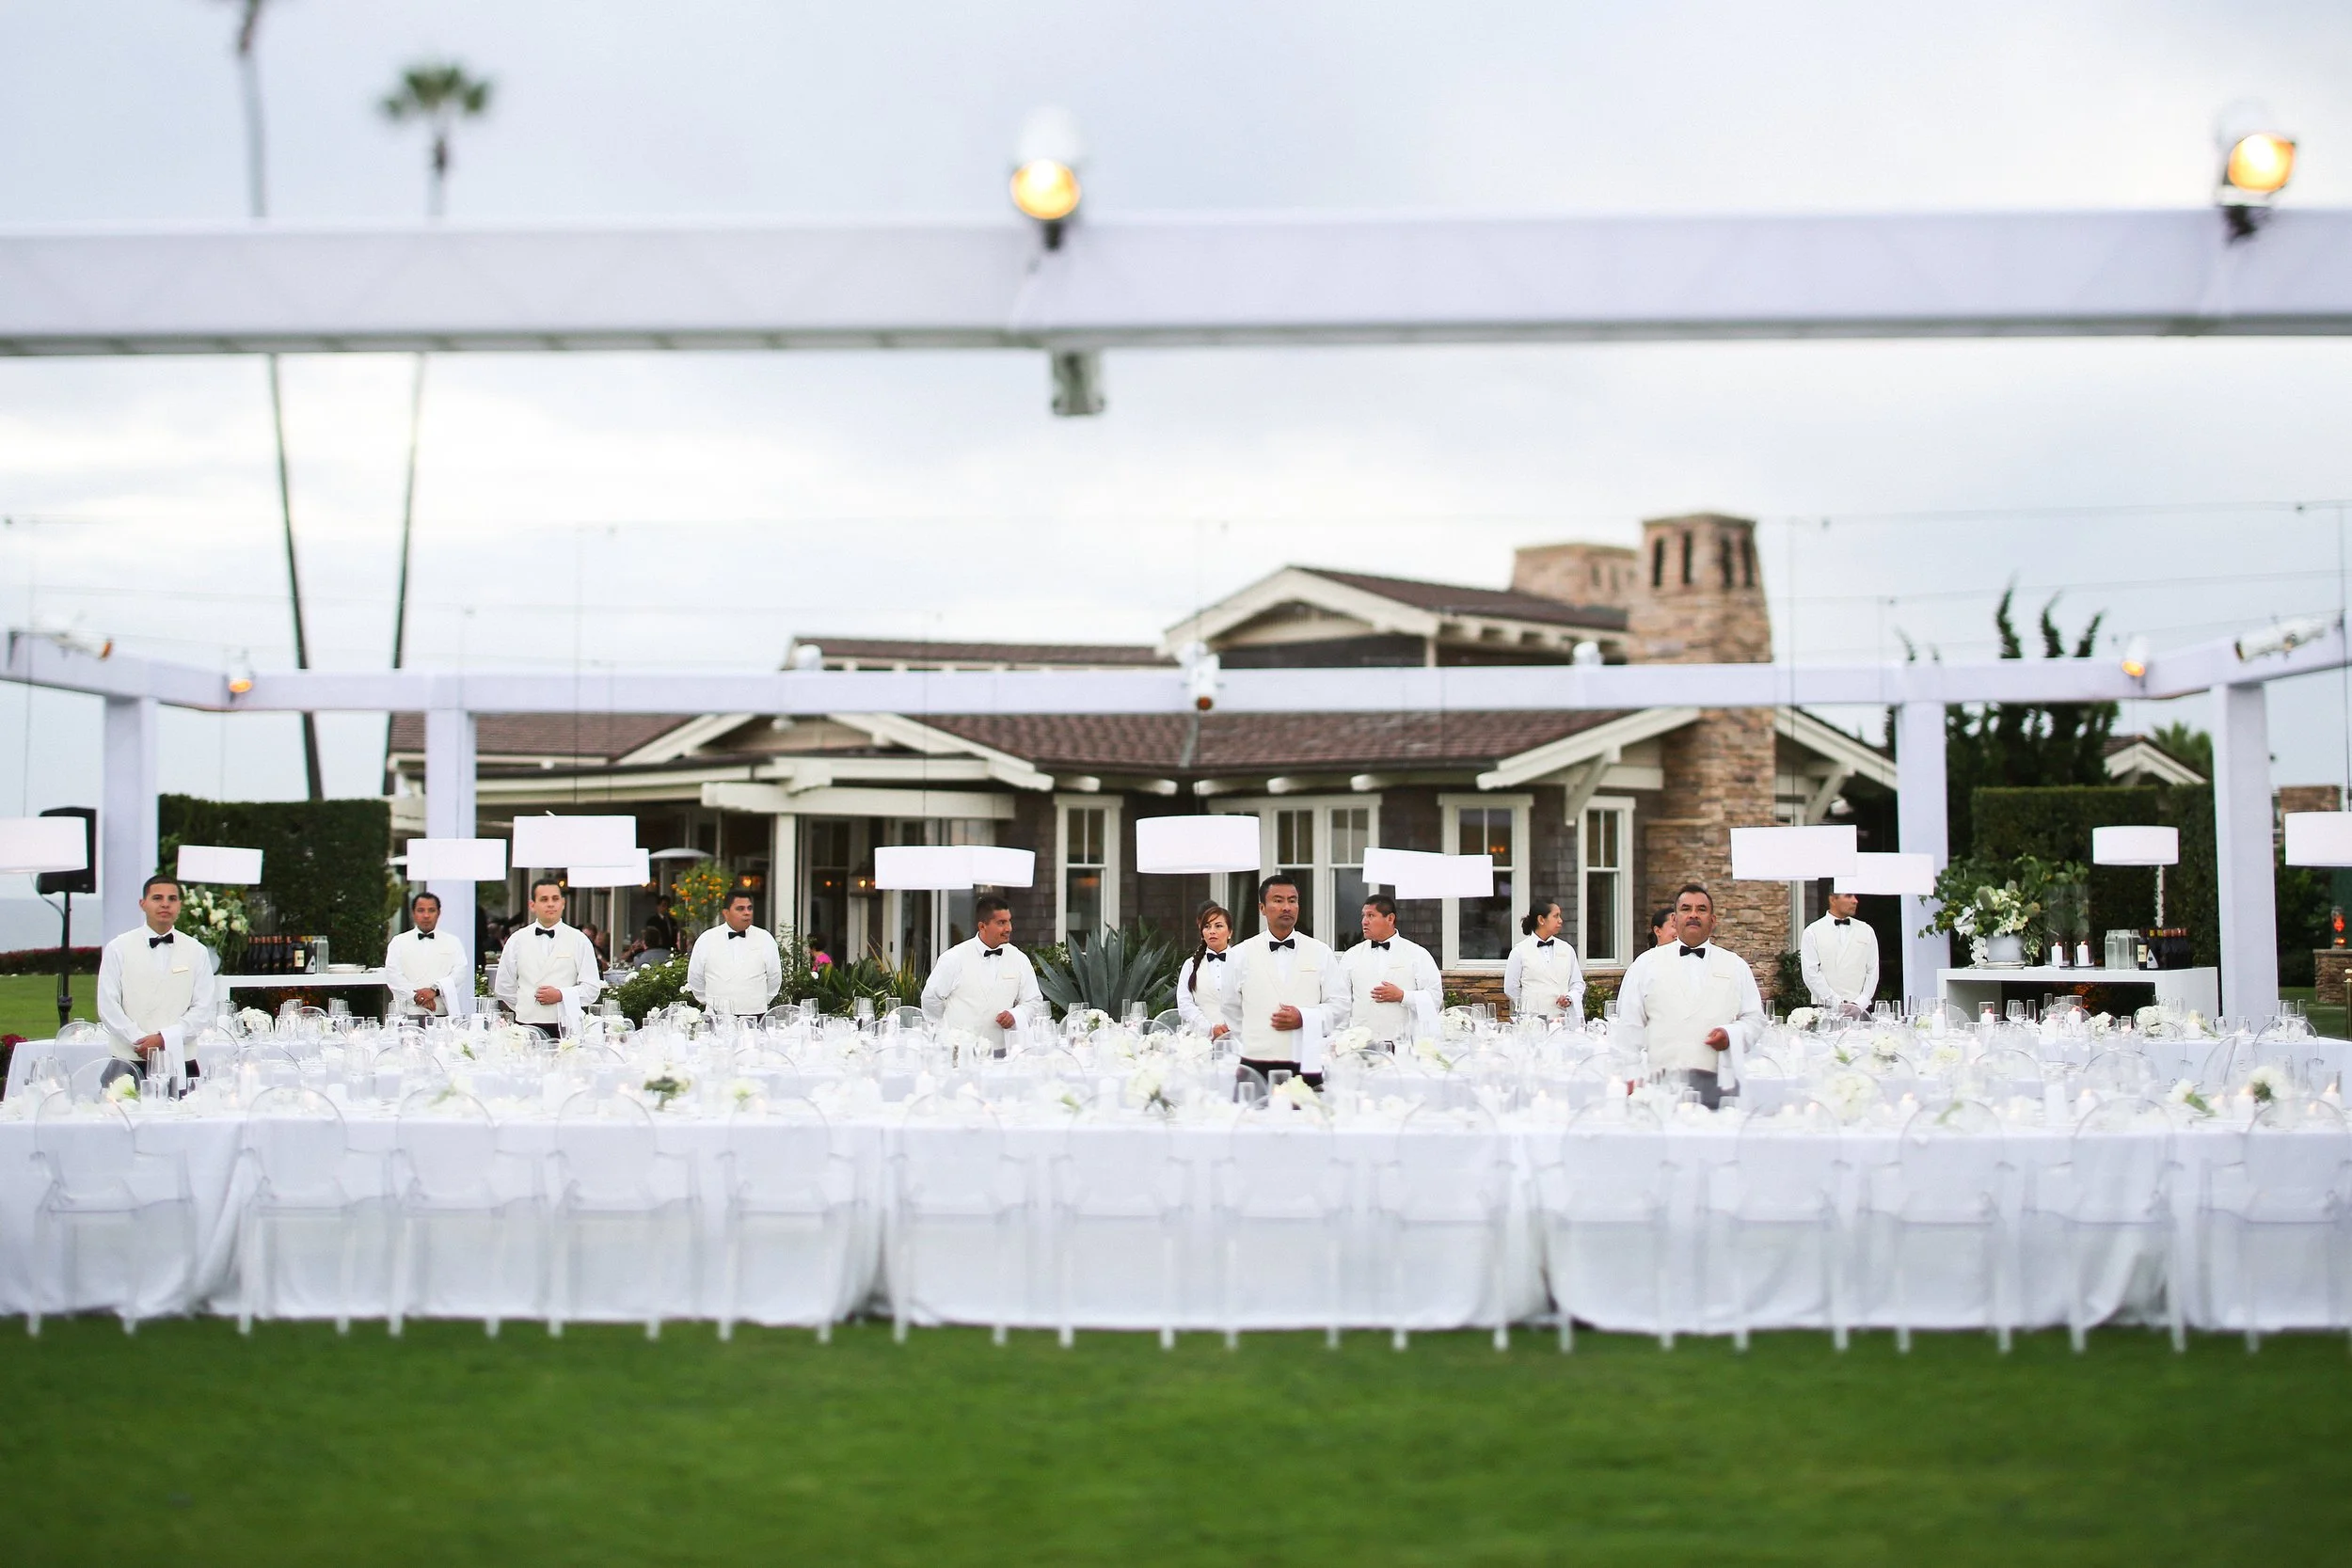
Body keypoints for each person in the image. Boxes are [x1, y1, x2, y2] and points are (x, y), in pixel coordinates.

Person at [1614, 882, 1764, 1111]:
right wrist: (1631, 1075)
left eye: (1701, 909)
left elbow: (1754, 1019)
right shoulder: (1645, 964)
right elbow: (1628, 1026)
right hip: (1659, 1086)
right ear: (1674, 920)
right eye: (1686, 909)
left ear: (1712, 920)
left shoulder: (1735, 965)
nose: (1693, 914)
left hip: (1719, 1086)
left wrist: (1731, 1035)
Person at [1218, 873, 1349, 1088]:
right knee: (1250, 1110)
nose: (1286, 907)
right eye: (1278, 901)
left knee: (1309, 1110)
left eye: (1292, 900)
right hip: (1255, 1063)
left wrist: (1304, 1017)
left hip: (1306, 1064)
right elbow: (1230, 1006)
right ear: (1262, 908)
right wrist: (1258, 1035)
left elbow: (1340, 1005)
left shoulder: (1320, 952)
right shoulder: (1240, 954)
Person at [96, 873, 219, 1078]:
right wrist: (139, 1041)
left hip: (181, 1061)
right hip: (128, 1061)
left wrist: (165, 1039)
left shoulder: (197, 950)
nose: (165, 904)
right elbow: (108, 1005)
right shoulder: (117, 948)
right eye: (157, 898)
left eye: (172, 899)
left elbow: (203, 1008)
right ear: (142, 904)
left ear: (180, 905)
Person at [919, 894, 1041, 1052]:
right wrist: (946, 1031)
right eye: (1001, 923)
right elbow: (931, 998)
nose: (1009, 928)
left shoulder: (1019, 959)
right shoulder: (954, 958)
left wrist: (1016, 1015)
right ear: (982, 926)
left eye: (1009, 921)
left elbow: (1034, 1001)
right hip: (960, 1053)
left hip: (1003, 1051)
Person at [493, 877, 604, 1039]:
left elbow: (592, 988)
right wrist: (527, 1005)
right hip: (525, 1027)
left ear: (563, 903)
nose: (551, 904)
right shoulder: (517, 940)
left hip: (566, 1027)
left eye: (555, 899)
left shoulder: (579, 940)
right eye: (544, 899)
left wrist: (561, 995)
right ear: (532, 905)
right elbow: (503, 986)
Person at [1342, 894, 1441, 1047]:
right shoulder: (1351, 956)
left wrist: (1402, 996)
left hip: (1404, 1046)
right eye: (1363, 916)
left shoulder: (1417, 954)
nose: (1364, 921)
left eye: (1371, 915)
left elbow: (1435, 997)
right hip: (1361, 1047)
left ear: (1390, 918)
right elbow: (1340, 1001)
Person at [687, 890, 784, 1022]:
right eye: (740, 909)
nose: (747, 912)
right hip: (716, 1016)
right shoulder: (707, 939)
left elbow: (775, 977)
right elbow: (695, 977)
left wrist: (758, 1001)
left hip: (756, 1015)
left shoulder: (765, 938)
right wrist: (710, 1001)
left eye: (749, 908)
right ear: (726, 913)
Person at [384, 890, 470, 1022]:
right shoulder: (398, 942)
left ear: (439, 913)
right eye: (421, 910)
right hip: (407, 1014)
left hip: (442, 1013)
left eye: (431, 910)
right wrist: (416, 997)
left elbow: (459, 973)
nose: (426, 915)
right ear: (413, 913)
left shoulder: (453, 942)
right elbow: (393, 975)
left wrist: (434, 990)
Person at [1503, 895, 1586, 1023]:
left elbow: (1577, 983)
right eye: (1556, 916)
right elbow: (1511, 988)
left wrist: (1569, 998)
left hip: (1562, 1021)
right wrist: (1530, 1004)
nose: (1560, 921)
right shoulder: (1519, 951)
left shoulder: (1567, 949)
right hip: (1532, 1022)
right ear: (1541, 920)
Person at [1801, 889, 1881, 1015]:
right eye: (1848, 896)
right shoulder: (1812, 931)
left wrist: (1860, 1002)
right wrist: (1836, 1002)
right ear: (1833, 899)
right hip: (1825, 1009)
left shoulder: (1867, 930)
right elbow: (1810, 972)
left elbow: (1873, 970)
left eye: (1854, 896)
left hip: (1860, 1009)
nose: (1855, 901)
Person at [1174, 901, 1239, 1037]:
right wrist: (1209, 1028)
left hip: (1239, 1038)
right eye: (1207, 926)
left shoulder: (1244, 962)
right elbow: (1184, 1003)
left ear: (1230, 932)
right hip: (1202, 1039)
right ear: (1202, 933)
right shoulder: (1190, 965)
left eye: (1218, 926)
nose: (1212, 931)